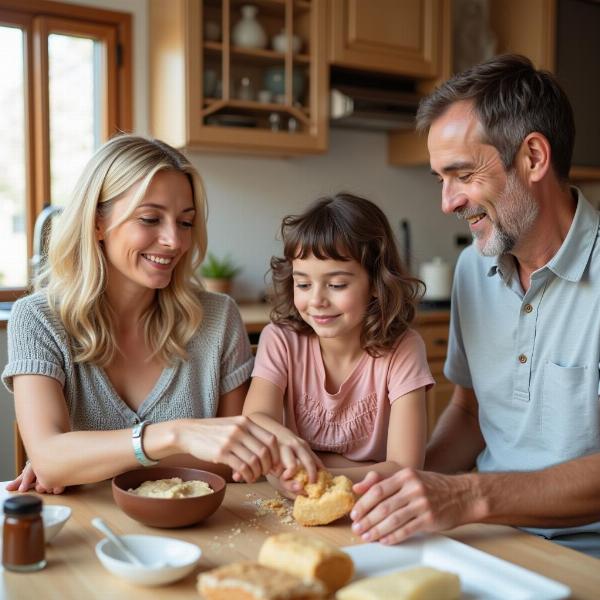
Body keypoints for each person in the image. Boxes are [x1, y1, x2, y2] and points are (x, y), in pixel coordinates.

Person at [349, 54, 600, 556]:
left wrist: (466, 496)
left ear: (532, 157)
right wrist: (402, 487)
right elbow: (469, 411)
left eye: (462, 175)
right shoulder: (472, 269)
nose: (447, 202)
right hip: (487, 538)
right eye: (440, 179)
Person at [2, 134, 281, 494]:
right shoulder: (37, 319)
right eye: (150, 218)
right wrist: (176, 435)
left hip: (200, 533)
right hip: (90, 533)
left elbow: (237, 458)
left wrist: (82, 461)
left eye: (185, 222)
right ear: (97, 223)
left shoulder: (218, 317)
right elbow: (50, 461)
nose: (175, 241)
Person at [243, 193, 434, 496]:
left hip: (374, 507)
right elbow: (255, 422)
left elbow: (405, 469)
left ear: (376, 284)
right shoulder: (280, 339)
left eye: (336, 285)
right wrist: (289, 444)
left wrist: (313, 473)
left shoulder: (404, 349)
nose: (317, 300)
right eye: (303, 284)